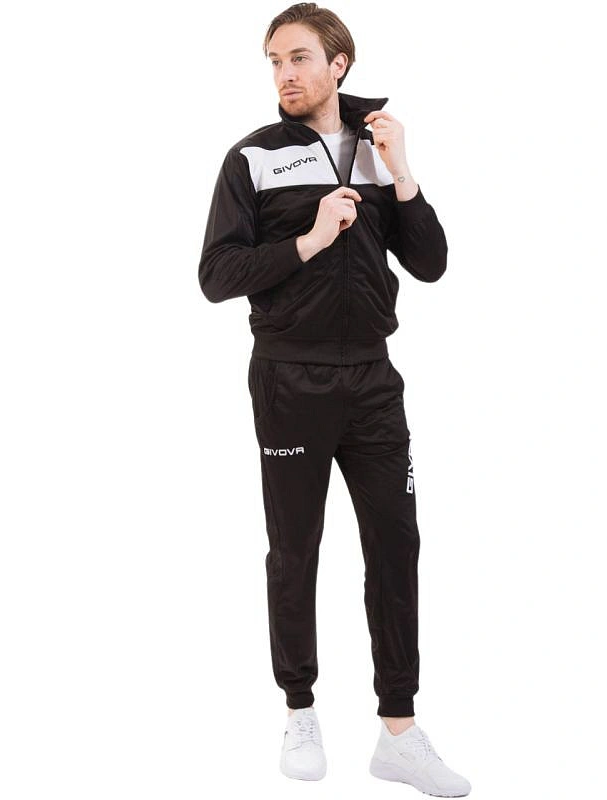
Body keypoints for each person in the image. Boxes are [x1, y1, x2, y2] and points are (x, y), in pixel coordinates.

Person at [198, 3, 471, 796]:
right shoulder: (252, 158)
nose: (283, 74)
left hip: (373, 381)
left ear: (338, 64)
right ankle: (299, 710)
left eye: (297, 58)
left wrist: (404, 173)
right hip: (290, 379)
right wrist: (309, 240)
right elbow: (216, 275)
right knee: (295, 549)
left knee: (396, 544)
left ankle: (399, 731)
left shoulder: (378, 148)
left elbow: (430, 263)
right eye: (274, 61)